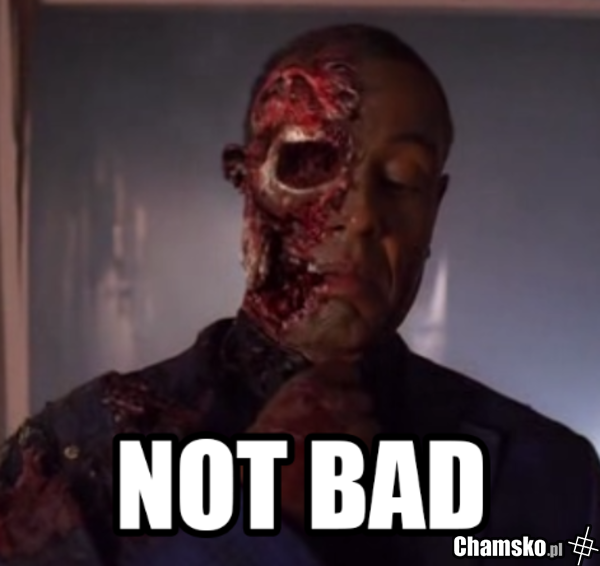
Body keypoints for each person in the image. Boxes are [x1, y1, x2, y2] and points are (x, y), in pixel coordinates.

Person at [0, 23, 598, 566]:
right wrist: (255, 518)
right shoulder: (71, 460)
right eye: (310, 162)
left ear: (433, 209)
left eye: (401, 180)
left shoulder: (550, 482)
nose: (361, 216)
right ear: (247, 184)